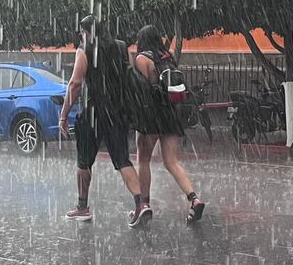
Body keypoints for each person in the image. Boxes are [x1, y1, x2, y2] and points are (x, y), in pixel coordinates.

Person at [59, 15, 146, 226]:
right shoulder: (121, 46)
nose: (81, 36)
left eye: (82, 32)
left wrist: (63, 115)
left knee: (83, 161)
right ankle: (141, 204)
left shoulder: (85, 49)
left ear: (86, 32)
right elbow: (130, 77)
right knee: (122, 160)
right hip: (117, 111)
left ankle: (82, 206)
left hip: (93, 112)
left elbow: (75, 84)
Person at [132, 24, 205, 223]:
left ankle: (143, 205)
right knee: (171, 162)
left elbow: (142, 90)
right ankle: (194, 198)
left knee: (144, 160)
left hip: (152, 116)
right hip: (172, 113)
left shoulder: (141, 59)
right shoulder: (168, 57)